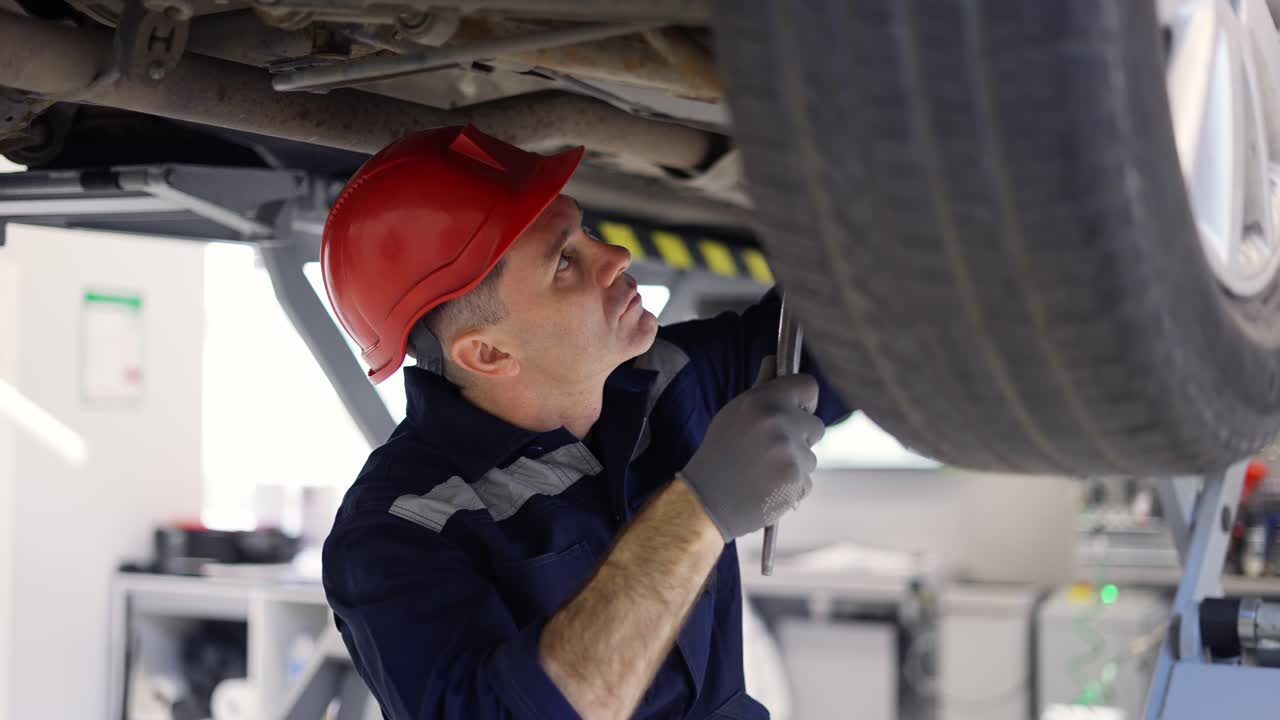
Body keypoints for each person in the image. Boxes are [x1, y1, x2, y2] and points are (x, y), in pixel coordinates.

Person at [320, 124, 849, 720]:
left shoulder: (665, 381)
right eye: (565, 261)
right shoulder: (397, 535)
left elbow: (850, 345)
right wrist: (697, 514)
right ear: (488, 352)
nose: (616, 256)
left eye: (586, 232)